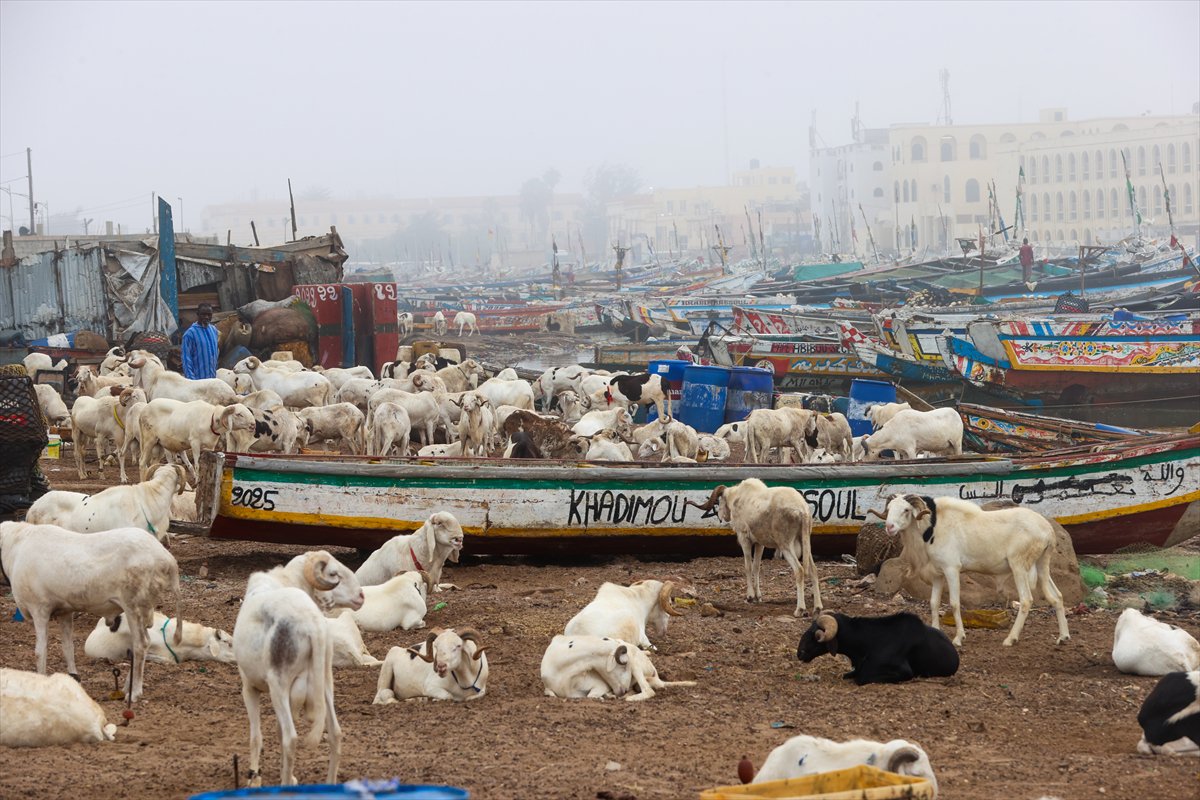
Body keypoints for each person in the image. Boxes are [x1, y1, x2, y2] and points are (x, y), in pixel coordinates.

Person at [181, 303, 219, 380]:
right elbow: (186, 360)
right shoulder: (190, 334)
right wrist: (191, 381)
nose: (206, 317)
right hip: (198, 382)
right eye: (203, 315)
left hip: (212, 380)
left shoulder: (214, 330)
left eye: (209, 315)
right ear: (197, 314)